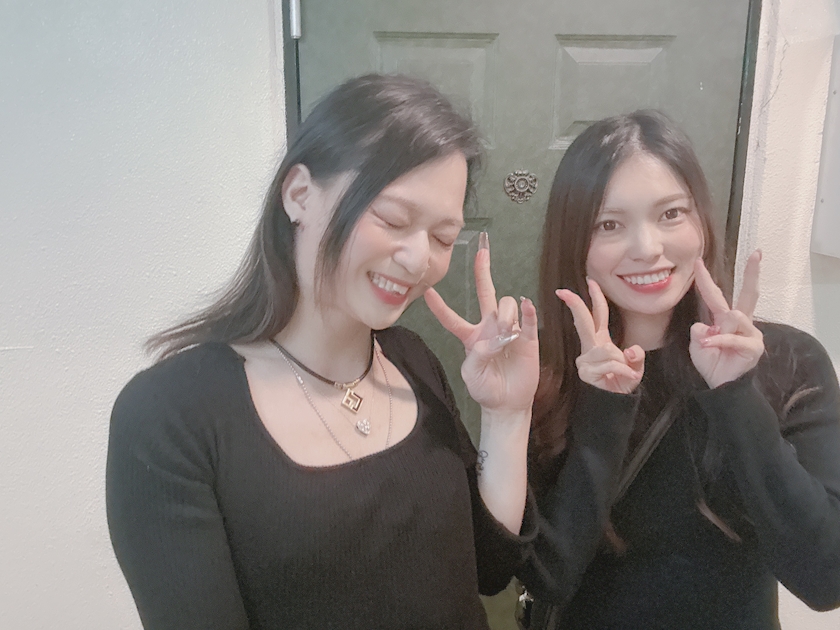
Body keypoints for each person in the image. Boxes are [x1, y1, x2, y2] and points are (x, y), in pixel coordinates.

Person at [106, 74, 541, 630]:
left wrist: (507, 415)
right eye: (393, 219)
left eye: (441, 237)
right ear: (299, 195)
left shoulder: (413, 361)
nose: (419, 260)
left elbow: (490, 568)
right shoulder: (171, 416)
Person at [518, 110, 840, 629]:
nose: (647, 248)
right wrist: (602, 411)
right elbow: (549, 578)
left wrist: (737, 395)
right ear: (575, 244)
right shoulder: (546, 379)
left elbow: (826, 579)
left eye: (670, 214)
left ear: (701, 223)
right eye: (609, 224)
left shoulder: (789, 362)